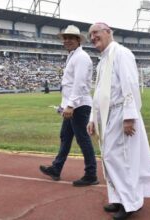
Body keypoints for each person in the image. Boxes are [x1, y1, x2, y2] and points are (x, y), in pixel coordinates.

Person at [87, 22, 150, 219]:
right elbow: (99, 93)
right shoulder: (103, 61)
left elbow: (130, 85)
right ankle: (119, 199)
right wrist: (93, 118)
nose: (92, 37)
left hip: (121, 115)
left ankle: (131, 203)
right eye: (90, 35)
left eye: (96, 33)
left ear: (108, 32)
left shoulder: (121, 53)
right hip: (108, 115)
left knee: (123, 159)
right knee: (111, 158)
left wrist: (129, 117)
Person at [39, 25, 99, 187]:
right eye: (65, 38)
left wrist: (70, 105)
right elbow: (71, 84)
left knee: (82, 139)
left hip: (78, 106)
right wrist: (64, 105)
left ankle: (91, 174)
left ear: (78, 40)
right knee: (65, 137)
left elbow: (79, 84)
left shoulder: (81, 57)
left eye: (71, 38)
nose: (67, 41)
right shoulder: (73, 56)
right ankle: (56, 168)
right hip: (72, 105)